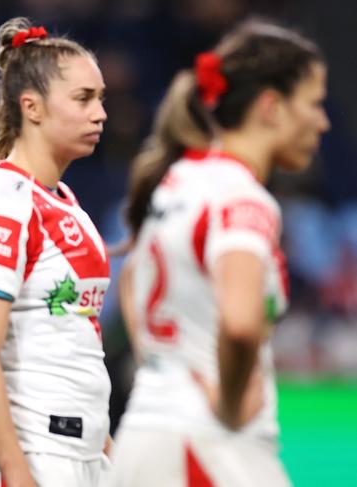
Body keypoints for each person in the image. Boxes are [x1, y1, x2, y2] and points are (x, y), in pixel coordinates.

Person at [108, 20, 330, 487]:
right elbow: (242, 322)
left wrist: (165, 365)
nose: (322, 121)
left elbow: (131, 283)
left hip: (146, 434)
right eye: (313, 104)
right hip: (206, 444)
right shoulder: (242, 198)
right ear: (271, 107)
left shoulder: (174, 182)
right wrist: (229, 405)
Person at [0, 17, 111, 487]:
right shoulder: (0, 202)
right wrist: (15, 471)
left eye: (101, 98)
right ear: (32, 107)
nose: (100, 113)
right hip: (32, 453)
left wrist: (103, 449)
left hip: (79, 450)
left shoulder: (65, 202)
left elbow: (73, 333)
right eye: (84, 98)